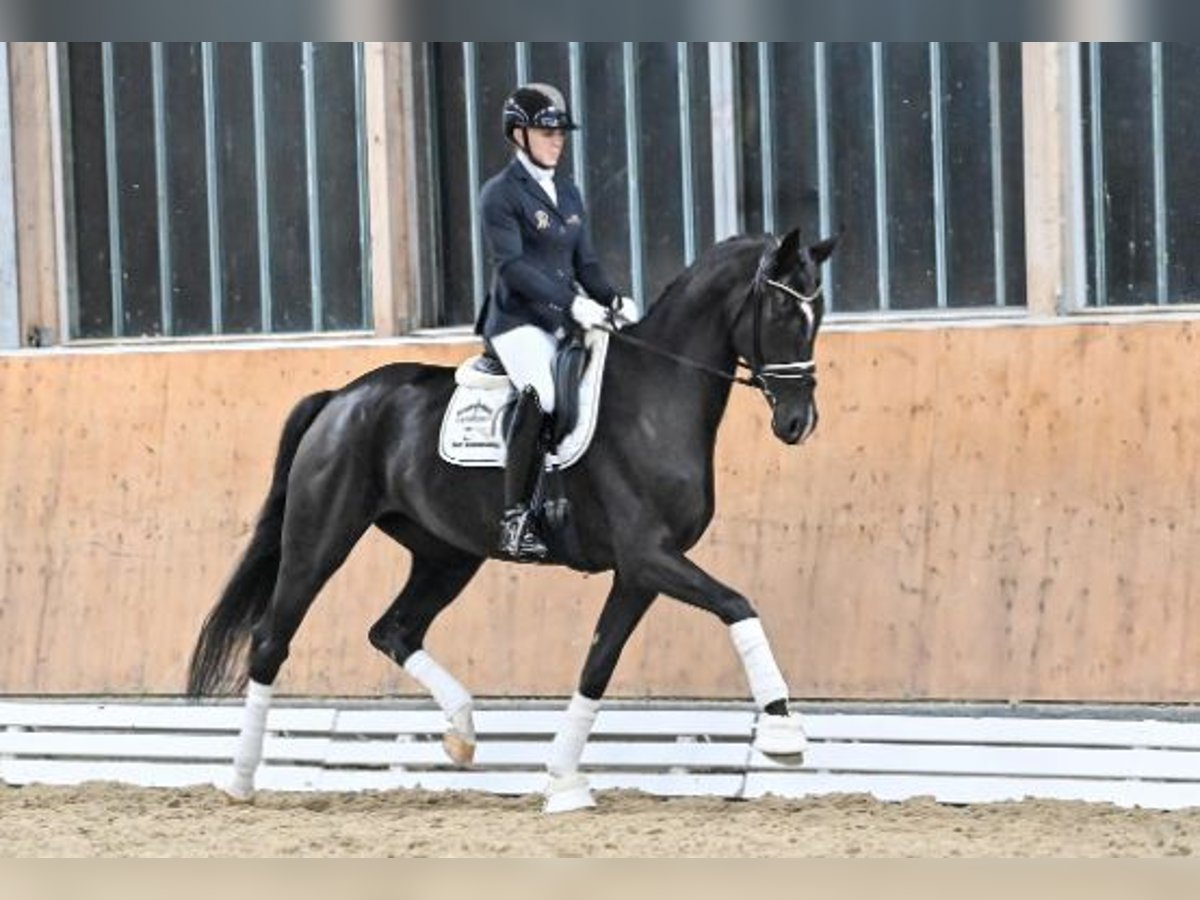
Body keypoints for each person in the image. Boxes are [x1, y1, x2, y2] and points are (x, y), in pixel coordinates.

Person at [475, 82, 638, 562]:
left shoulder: (567, 191)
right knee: (542, 395)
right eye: (547, 132)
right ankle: (515, 518)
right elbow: (514, 267)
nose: (557, 140)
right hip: (517, 323)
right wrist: (572, 304)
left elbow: (585, 262)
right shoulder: (500, 195)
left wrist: (612, 299)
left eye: (561, 133)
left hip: (564, 320)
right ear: (519, 135)